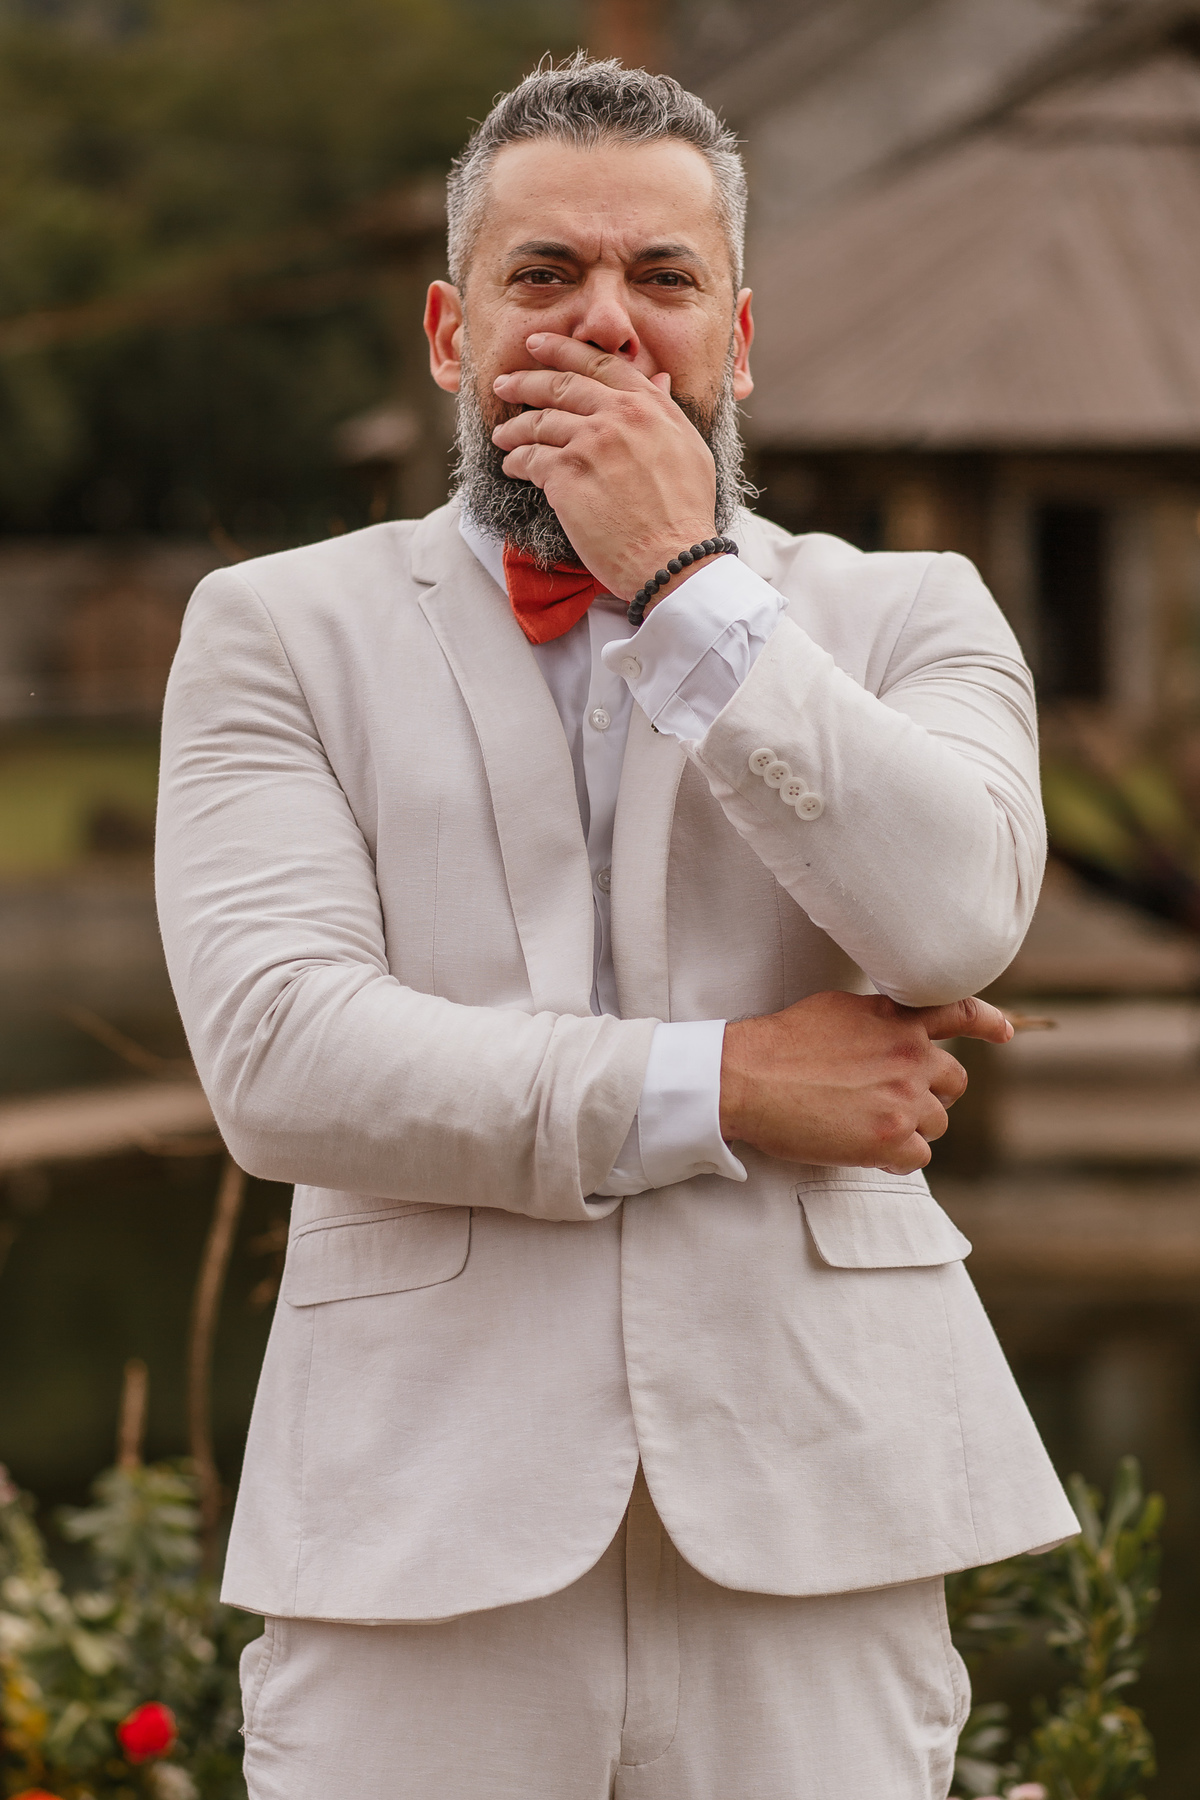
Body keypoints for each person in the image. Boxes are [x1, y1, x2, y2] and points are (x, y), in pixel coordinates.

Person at [156, 54, 1077, 1800]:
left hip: (820, 1509)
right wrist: (731, 1084)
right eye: (544, 276)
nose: (606, 323)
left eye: (661, 279)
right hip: (415, 1527)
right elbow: (282, 1061)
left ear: (740, 334)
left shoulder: (905, 616)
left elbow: (957, 917)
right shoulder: (273, 630)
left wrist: (682, 585)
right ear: (449, 330)